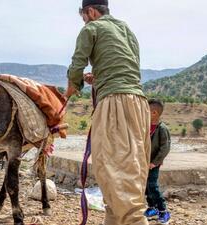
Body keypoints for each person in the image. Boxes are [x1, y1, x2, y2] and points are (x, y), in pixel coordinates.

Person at [65, 1, 151, 224]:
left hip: (115, 104)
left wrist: (71, 87)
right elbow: (127, 67)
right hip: (139, 104)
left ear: (91, 12)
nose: (84, 21)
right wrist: (100, 77)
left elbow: (77, 64)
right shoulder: (126, 30)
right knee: (130, 171)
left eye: (84, 17)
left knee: (115, 171)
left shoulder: (91, 28)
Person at [144, 99, 171, 224]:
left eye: (146, 110)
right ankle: (152, 207)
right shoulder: (145, 127)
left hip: (153, 164)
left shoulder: (162, 129)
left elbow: (165, 148)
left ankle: (163, 210)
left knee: (152, 186)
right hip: (144, 163)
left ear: (154, 113)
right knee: (145, 186)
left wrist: (154, 162)